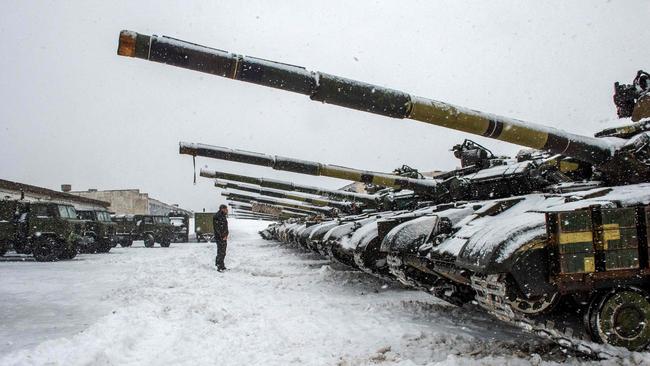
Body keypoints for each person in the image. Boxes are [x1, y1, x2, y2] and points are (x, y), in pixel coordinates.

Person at [213, 204, 229, 271]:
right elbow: (218, 228)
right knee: (220, 252)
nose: (227, 210)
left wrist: (226, 234)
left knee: (223, 252)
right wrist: (222, 236)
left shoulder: (223, 216)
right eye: (226, 209)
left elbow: (224, 227)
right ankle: (219, 266)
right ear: (222, 209)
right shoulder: (218, 216)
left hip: (223, 237)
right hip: (220, 237)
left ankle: (222, 265)